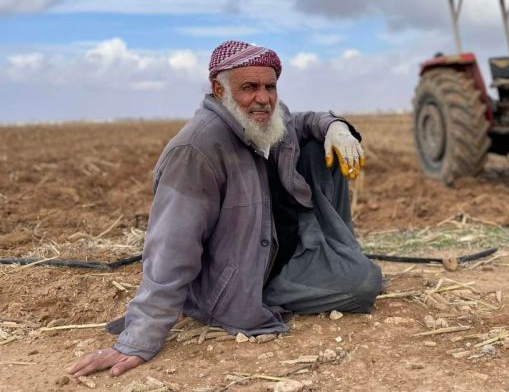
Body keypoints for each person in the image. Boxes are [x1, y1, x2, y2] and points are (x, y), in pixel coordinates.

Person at [68, 40, 383, 377]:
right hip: (243, 278)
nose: (263, 98)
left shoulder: (263, 119)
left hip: (282, 248)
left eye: (270, 87)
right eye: (249, 87)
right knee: (365, 282)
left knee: (319, 148)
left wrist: (335, 126)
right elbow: (171, 249)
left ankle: (328, 253)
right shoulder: (196, 150)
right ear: (219, 90)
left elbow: (302, 121)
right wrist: (139, 338)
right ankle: (268, 296)